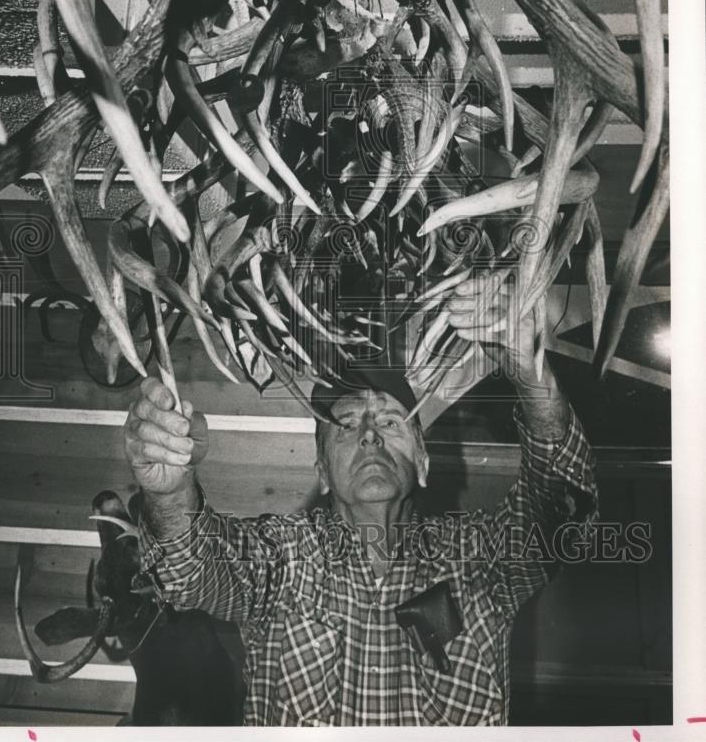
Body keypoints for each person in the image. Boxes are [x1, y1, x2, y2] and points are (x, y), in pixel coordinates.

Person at [125, 270, 598, 726]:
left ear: (425, 461)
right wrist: (170, 490)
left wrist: (533, 376)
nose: (370, 435)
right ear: (323, 471)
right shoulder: (280, 560)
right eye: (347, 425)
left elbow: (563, 507)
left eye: (391, 422)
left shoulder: (483, 560)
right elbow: (190, 571)